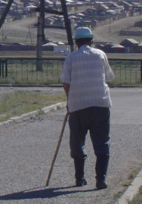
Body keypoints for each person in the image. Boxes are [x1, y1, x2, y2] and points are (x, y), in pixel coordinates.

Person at [60, 27, 115, 189]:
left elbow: (66, 82)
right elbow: (108, 78)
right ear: (91, 41)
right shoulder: (101, 55)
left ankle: (80, 178)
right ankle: (101, 180)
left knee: (77, 142)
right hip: (101, 104)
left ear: (76, 42)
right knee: (102, 142)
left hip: (78, 106)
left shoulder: (71, 58)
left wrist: (70, 100)